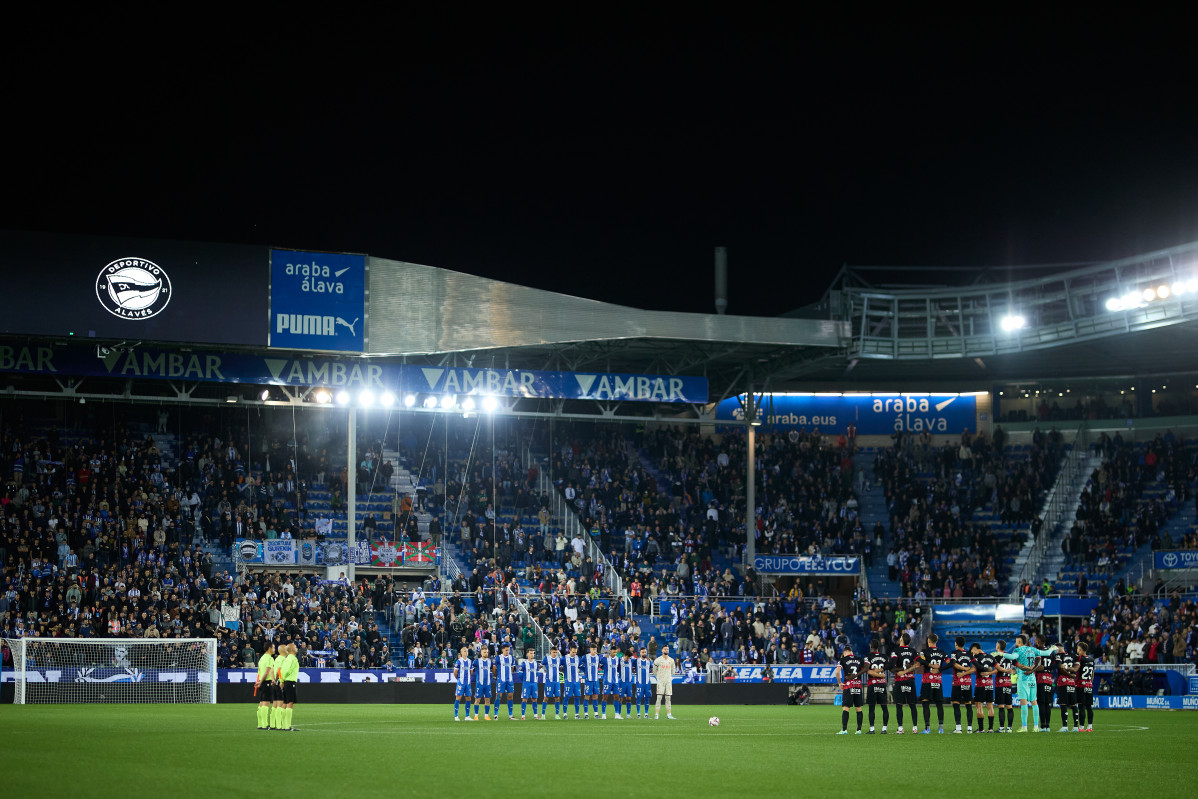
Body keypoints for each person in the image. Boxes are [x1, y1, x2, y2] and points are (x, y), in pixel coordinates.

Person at [992, 634, 1059, 732]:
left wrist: (1000, 654)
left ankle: (1024, 727)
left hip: (1023, 679)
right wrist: (1052, 648)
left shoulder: (1018, 650)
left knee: (1024, 703)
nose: (1015, 642)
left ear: (1019, 642)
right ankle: (1036, 727)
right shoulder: (1032, 649)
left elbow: (1012, 656)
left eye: (1016, 641)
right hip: (1032, 679)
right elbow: (1047, 653)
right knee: (1034, 702)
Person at [889, 632, 919, 734]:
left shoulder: (896, 651)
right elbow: (918, 663)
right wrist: (909, 668)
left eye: (900, 637)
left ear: (901, 640)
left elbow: (891, 666)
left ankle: (900, 728)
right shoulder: (913, 651)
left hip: (900, 681)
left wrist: (901, 670)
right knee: (912, 705)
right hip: (910, 679)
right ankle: (915, 728)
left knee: (899, 705)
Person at [833, 643, 865, 734]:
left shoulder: (843, 659)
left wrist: (839, 682)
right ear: (851, 652)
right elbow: (865, 670)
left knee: (846, 708)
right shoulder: (859, 659)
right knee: (858, 708)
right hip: (858, 685)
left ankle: (844, 730)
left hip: (848, 685)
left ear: (845, 652)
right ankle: (859, 730)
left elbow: (837, 672)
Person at [948, 636, 976, 733]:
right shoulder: (969, 654)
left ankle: (959, 728)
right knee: (968, 704)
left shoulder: (954, 653)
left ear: (956, 643)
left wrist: (963, 671)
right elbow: (974, 668)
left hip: (957, 682)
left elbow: (954, 664)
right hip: (968, 682)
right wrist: (967, 670)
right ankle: (969, 728)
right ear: (963, 644)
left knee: (956, 704)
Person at [1053, 642, 1080, 732]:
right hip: (1072, 682)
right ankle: (1076, 727)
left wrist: (1068, 673)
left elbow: (1060, 668)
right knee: (1073, 705)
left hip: (1063, 682)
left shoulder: (1058, 655)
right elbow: (1077, 666)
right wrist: (1072, 674)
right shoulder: (1072, 656)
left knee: (1063, 704)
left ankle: (1065, 727)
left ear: (1058, 648)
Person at [970, 642, 996, 732]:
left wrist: (963, 673)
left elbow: (974, 669)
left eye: (972, 651)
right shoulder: (990, 656)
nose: (972, 653)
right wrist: (989, 673)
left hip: (980, 684)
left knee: (979, 706)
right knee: (990, 706)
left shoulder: (976, 658)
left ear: (975, 648)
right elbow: (997, 669)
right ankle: (991, 728)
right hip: (989, 684)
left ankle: (981, 729)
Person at [864, 639, 889, 734]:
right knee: (884, 707)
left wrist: (875, 673)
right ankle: (884, 729)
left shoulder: (868, 657)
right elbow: (887, 667)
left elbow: (868, 671)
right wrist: (881, 674)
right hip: (882, 683)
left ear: (871, 646)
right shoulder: (884, 656)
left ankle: (872, 729)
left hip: (872, 684)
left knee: (871, 708)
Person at [993, 640, 1016, 732]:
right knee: (1009, 706)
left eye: (996, 645)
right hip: (1008, 683)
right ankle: (1009, 728)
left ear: (998, 647)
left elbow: (995, 669)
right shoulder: (1009, 656)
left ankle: (1002, 728)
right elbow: (1015, 667)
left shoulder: (996, 656)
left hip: (1000, 683)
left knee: (1001, 706)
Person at [254, 642, 276, 730]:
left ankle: (260, 724)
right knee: (266, 703)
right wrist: (261, 681)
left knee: (261, 703)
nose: (274, 649)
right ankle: (265, 724)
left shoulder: (262, 658)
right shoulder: (270, 659)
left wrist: (258, 682)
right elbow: (267, 671)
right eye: (273, 647)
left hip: (262, 682)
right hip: (266, 681)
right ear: (269, 648)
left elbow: (259, 672)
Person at [278, 643, 300, 732]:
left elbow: (281, 670)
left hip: (286, 682)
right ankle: (287, 726)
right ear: (292, 650)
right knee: (290, 703)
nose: (296, 648)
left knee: (285, 703)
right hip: (290, 682)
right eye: (295, 647)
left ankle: (284, 725)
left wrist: (281, 680)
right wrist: (282, 680)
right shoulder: (292, 659)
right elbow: (285, 671)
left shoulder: (287, 659)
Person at [653, 644, 677, 719]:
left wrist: (668, 677)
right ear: (662, 650)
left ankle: (669, 714)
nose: (666, 650)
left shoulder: (671, 660)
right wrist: (659, 677)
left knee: (668, 698)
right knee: (659, 697)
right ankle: (656, 714)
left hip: (668, 681)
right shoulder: (658, 660)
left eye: (667, 649)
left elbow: (673, 671)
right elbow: (654, 671)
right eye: (665, 649)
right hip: (661, 681)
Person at [1076, 642, 1095, 732]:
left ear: (1081, 650)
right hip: (1089, 685)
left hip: (1080, 685)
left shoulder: (1080, 659)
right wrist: (1090, 682)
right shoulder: (1091, 659)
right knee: (1089, 707)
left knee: (1081, 706)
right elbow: (1093, 674)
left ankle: (1081, 727)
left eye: (1078, 649)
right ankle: (1090, 727)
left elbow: (1077, 670)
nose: (1077, 651)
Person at [453, 645, 474, 721]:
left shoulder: (469, 661)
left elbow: (471, 671)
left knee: (468, 698)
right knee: (458, 697)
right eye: (464, 651)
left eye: (467, 651)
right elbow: (455, 672)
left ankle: (467, 716)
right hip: (461, 682)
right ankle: (456, 716)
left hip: (467, 683)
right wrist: (459, 679)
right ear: (461, 653)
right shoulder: (459, 661)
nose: (466, 652)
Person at [519, 647, 541, 720]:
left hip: (534, 683)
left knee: (534, 699)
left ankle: (535, 715)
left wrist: (534, 679)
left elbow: (537, 673)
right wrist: (525, 680)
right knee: (525, 699)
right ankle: (523, 716)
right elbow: (520, 674)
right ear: (527, 654)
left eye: (533, 653)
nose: (532, 655)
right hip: (526, 683)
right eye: (531, 653)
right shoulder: (524, 663)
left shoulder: (536, 663)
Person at [542, 645, 563, 720]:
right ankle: (543, 714)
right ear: (550, 652)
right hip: (549, 681)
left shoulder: (558, 659)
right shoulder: (546, 658)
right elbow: (541, 665)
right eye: (554, 652)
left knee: (557, 698)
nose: (555, 654)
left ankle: (557, 715)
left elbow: (560, 667)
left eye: (556, 652)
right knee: (546, 698)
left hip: (557, 681)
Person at [496, 643, 516, 720]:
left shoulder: (511, 658)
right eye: (506, 650)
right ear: (502, 650)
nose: (508, 651)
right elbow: (494, 669)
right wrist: (497, 677)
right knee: (498, 696)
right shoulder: (498, 658)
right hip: (501, 680)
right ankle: (495, 715)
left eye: (509, 650)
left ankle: (510, 715)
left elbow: (512, 668)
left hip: (509, 680)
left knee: (510, 696)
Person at [563, 643, 583, 719]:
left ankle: (577, 714)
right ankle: (565, 714)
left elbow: (581, 667)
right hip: (568, 681)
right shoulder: (564, 658)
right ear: (569, 651)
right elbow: (559, 666)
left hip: (577, 681)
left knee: (577, 697)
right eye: (573, 652)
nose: (574, 654)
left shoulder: (578, 658)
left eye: (575, 652)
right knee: (567, 697)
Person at [475, 646, 495, 720]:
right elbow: (472, 669)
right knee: (477, 700)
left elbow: (492, 669)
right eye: (484, 652)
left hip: (487, 684)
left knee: (487, 700)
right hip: (479, 683)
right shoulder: (477, 661)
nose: (486, 653)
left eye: (487, 652)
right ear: (481, 653)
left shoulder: (490, 661)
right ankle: (476, 715)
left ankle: (486, 715)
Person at [602, 645, 622, 719]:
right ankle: (603, 714)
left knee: (617, 697)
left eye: (616, 652)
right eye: (613, 652)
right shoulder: (605, 659)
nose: (615, 654)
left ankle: (617, 714)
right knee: (605, 696)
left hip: (615, 681)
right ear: (610, 651)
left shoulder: (618, 659)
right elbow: (599, 663)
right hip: (607, 681)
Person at [634, 646, 653, 719]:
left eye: (645, 652)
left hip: (647, 683)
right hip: (639, 683)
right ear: (640, 653)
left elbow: (652, 669)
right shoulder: (636, 661)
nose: (644, 653)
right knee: (638, 697)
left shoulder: (649, 661)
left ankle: (646, 714)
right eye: (643, 652)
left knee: (647, 698)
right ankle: (638, 714)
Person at [584, 643, 602, 719]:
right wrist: (584, 671)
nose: (595, 651)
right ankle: (586, 714)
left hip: (596, 680)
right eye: (593, 649)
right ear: (590, 649)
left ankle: (596, 714)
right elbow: (579, 664)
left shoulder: (598, 657)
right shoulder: (585, 657)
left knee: (595, 696)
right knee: (587, 696)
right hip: (588, 680)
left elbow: (600, 665)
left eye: (596, 649)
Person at [620, 646, 636, 718]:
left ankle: (628, 714)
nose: (628, 659)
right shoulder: (619, 661)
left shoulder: (631, 661)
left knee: (629, 698)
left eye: (629, 658)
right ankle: (618, 714)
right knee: (620, 698)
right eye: (627, 657)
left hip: (629, 682)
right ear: (624, 655)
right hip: (622, 682)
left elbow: (639, 660)